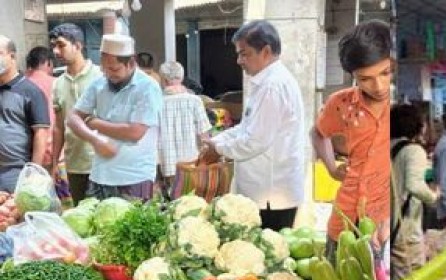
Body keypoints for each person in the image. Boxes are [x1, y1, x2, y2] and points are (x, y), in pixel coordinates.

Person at [199, 20, 305, 231]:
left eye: (244, 54)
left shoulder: (273, 87)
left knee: (268, 255)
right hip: (262, 193)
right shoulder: (264, 83)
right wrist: (216, 141)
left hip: (271, 196)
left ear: (266, 51)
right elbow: (247, 127)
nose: (239, 61)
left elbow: (255, 141)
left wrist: (217, 149)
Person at [312, 19, 392, 254]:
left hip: (385, 221)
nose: (378, 86)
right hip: (346, 215)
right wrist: (331, 167)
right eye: (365, 79)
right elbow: (318, 133)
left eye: (385, 73)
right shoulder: (341, 103)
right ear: (353, 76)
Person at [67, 34, 163, 201]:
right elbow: (73, 118)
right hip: (99, 174)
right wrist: (95, 140)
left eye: (114, 69)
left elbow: (135, 132)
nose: (109, 74)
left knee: (130, 225)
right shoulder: (98, 84)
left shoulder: (148, 87)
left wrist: (93, 122)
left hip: (134, 176)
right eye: (105, 68)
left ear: (131, 63)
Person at [49, 23, 103, 205]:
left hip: (102, 161)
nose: (56, 51)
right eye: (53, 46)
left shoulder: (100, 77)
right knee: (81, 214)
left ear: (78, 46)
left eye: (61, 45)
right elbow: (58, 127)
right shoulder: (58, 84)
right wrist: (55, 162)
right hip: (74, 165)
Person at [390, 104, 438, 280]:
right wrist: (433, 196)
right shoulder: (414, 150)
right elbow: (414, 185)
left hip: (386, 226)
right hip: (405, 227)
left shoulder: (388, 146)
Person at [0, 35, 49, 191]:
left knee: (14, 214)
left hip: (16, 172)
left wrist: (33, 173)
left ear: (12, 56)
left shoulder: (31, 92)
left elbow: (41, 133)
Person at [158, 61, 212, 191]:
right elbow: (204, 135)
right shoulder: (195, 101)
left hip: (167, 164)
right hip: (191, 163)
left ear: (164, 80)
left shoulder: (157, 103)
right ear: (181, 78)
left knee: (171, 202)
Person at [24, 46, 55, 167]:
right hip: (56, 154)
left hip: (28, 155)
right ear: (48, 63)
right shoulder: (58, 83)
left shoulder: (21, 85)